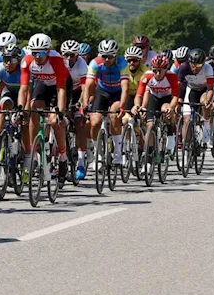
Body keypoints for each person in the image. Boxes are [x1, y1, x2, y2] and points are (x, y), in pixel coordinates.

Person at [18, 33, 70, 186]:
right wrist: (21, 109)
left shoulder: (56, 61)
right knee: (33, 110)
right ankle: (35, 150)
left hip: (58, 86)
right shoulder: (27, 61)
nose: (37, 56)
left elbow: (61, 90)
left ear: (47, 51)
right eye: (34, 52)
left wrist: (60, 112)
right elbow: (24, 89)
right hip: (41, 84)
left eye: (40, 53)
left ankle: (62, 156)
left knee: (55, 120)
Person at [81, 39, 130, 170]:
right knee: (95, 121)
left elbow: (125, 87)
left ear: (116, 55)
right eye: (104, 56)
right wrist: (85, 104)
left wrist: (122, 106)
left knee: (114, 116)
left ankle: (118, 154)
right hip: (102, 91)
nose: (107, 60)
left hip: (117, 92)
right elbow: (89, 84)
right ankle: (98, 155)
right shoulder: (95, 63)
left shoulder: (122, 63)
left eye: (110, 57)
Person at [60, 40, 89, 179]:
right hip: (63, 90)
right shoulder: (60, 63)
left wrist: (81, 105)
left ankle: (82, 162)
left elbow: (85, 88)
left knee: (79, 122)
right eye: (66, 55)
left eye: (72, 55)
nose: (69, 58)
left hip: (77, 91)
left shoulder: (82, 65)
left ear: (77, 55)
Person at [177, 48, 214, 146]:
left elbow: (210, 89)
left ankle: (206, 125)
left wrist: (208, 101)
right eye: (193, 65)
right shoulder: (184, 67)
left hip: (204, 89)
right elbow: (178, 86)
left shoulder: (208, 68)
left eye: (199, 65)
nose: (195, 68)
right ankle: (186, 145)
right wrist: (176, 100)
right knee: (187, 119)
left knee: (203, 102)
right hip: (191, 89)